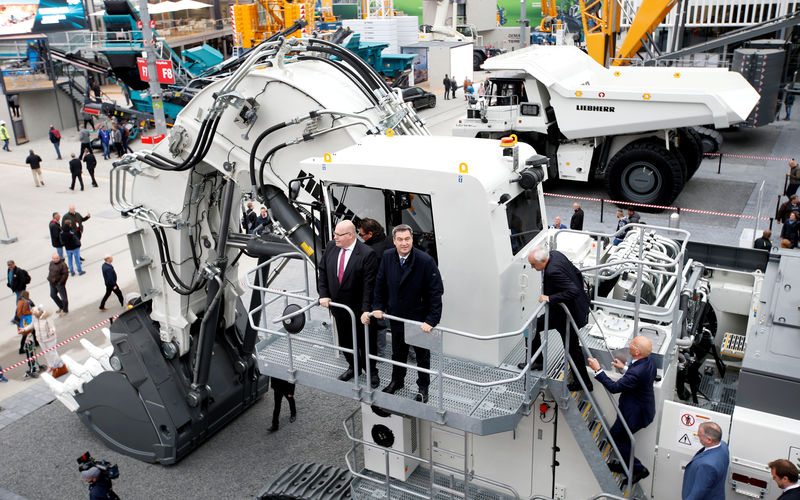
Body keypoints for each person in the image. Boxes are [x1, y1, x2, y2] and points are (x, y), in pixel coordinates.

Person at [373, 224, 444, 403]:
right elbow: (380, 284)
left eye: (407, 239)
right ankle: (397, 381)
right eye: (400, 239)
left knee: (422, 357)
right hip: (397, 317)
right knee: (398, 353)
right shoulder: (388, 256)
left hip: (419, 320)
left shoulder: (425, 261)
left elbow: (436, 292)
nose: (404, 243)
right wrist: (378, 306)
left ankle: (423, 388)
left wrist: (431, 320)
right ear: (394, 241)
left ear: (412, 239)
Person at [520, 247, 594, 392]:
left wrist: (550, 298)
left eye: (534, 265)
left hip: (564, 315)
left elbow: (573, 290)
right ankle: (538, 361)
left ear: (543, 260)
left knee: (571, 347)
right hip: (565, 311)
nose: (532, 267)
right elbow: (576, 273)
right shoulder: (555, 254)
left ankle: (583, 383)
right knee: (571, 347)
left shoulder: (552, 271)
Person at [317, 220, 380, 387]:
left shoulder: (367, 254)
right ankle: (354, 367)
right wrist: (323, 294)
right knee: (345, 341)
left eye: (338, 235)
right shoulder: (331, 247)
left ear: (350, 235)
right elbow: (322, 270)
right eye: (335, 234)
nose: (334, 238)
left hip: (360, 311)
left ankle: (371, 371)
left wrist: (366, 311)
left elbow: (369, 286)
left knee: (366, 342)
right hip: (339, 308)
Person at [587, 336, 656, 484]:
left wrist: (597, 370)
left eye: (632, 344)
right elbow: (638, 376)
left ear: (637, 352)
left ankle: (638, 469)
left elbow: (614, 388)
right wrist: (624, 368)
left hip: (634, 415)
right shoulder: (649, 361)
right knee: (623, 439)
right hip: (642, 410)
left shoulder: (636, 373)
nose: (629, 344)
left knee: (615, 438)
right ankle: (627, 466)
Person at [358, 218, 394, 357]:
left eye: (361, 235)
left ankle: (379, 354)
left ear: (370, 234)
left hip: (379, 293)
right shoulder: (391, 241)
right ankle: (413, 352)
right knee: (401, 323)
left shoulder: (369, 251)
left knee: (380, 325)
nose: (360, 237)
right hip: (395, 291)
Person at [681, 421, 729, 500]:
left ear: (709, 440)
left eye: (700, 435)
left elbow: (698, 492)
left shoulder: (707, 466)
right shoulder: (723, 446)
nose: (698, 436)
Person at [21, 306, 62, 374]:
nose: (34, 315)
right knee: (46, 353)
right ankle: (51, 366)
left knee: (52, 353)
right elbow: (32, 325)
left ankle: (59, 365)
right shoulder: (34, 318)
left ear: (39, 313)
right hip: (40, 339)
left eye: (35, 313)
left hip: (49, 339)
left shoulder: (47, 318)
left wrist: (52, 331)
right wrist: (24, 329)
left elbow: (52, 327)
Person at [7, 260, 31, 325]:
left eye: (11, 265)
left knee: (19, 304)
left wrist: (19, 287)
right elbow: (10, 278)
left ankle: (16, 318)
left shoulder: (18, 271)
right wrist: (10, 284)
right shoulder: (9, 270)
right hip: (16, 290)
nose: (10, 266)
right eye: (9, 265)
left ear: (14, 264)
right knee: (22, 303)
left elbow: (23, 280)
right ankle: (19, 317)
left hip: (20, 290)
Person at [16, 290, 38, 354]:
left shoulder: (20, 301)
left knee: (32, 330)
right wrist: (32, 312)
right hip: (25, 319)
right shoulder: (25, 302)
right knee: (25, 333)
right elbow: (25, 312)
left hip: (22, 319)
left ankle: (36, 342)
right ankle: (21, 349)